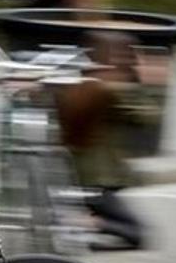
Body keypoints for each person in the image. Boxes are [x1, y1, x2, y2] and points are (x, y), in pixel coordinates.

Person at [54, 31, 164, 250]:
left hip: (82, 177)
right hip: (99, 182)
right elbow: (149, 116)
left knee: (131, 230)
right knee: (139, 234)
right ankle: (83, 224)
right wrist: (150, 81)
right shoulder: (111, 91)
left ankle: (86, 227)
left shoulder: (78, 85)